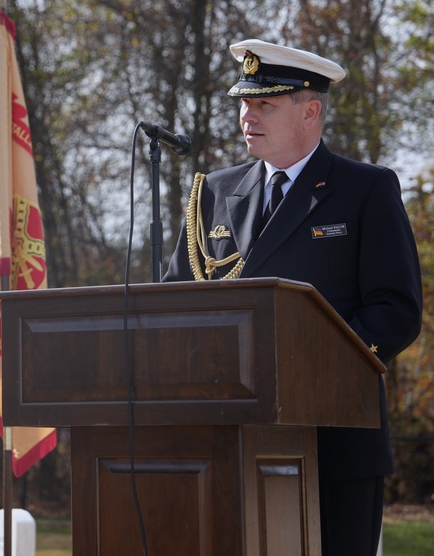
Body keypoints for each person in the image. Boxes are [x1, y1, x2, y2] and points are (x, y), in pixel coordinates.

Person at [163, 38, 423, 556]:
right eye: (244, 103)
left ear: (310, 112)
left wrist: (311, 369)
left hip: (334, 441)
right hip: (233, 440)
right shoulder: (214, 192)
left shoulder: (364, 189)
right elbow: (176, 303)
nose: (247, 117)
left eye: (265, 104)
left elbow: (396, 312)